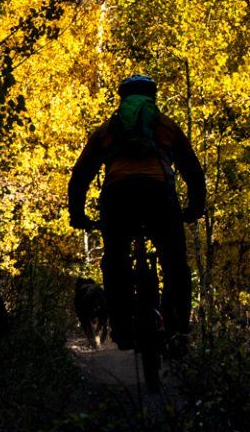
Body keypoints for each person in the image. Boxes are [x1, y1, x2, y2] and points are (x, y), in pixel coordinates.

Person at [67, 73, 207, 353]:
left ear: (122, 99)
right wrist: (194, 208)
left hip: (118, 198)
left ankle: (121, 325)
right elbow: (193, 172)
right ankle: (176, 328)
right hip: (159, 196)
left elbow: (81, 175)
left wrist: (77, 214)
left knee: (116, 260)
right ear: (153, 98)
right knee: (175, 263)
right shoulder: (167, 127)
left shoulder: (107, 130)